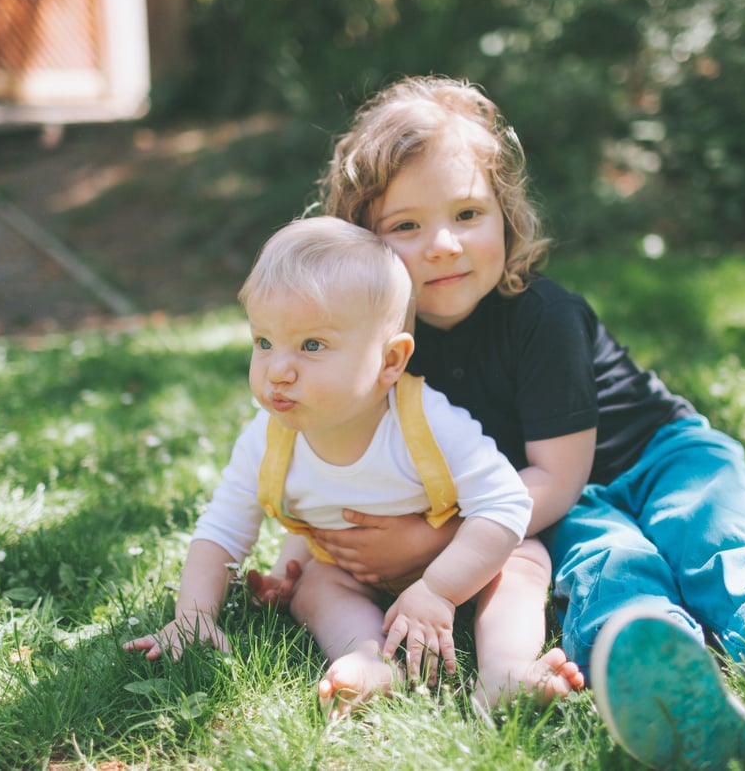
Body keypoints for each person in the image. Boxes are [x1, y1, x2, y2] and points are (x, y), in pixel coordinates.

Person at [306, 75, 745, 769]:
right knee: (607, 566)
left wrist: (432, 547)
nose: (441, 245)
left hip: (656, 459)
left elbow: (555, 476)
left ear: (506, 216)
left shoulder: (542, 317)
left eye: (467, 214)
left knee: (714, 536)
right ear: (361, 247)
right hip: (560, 507)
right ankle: (656, 663)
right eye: (405, 226)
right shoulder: (383, 355)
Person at [123, 216, 583, 713]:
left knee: (521, 563)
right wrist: (195, 614)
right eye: (264, 342)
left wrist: (439, 589)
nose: (278, 369)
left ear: (390, 361)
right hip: (353, 572)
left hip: (459, 561)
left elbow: (505, 504)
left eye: (312, 345)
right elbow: (222, 529)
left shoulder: (425, 421)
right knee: (315, 588)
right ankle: (367, 658)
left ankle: (506, 671)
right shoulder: (268, 438)